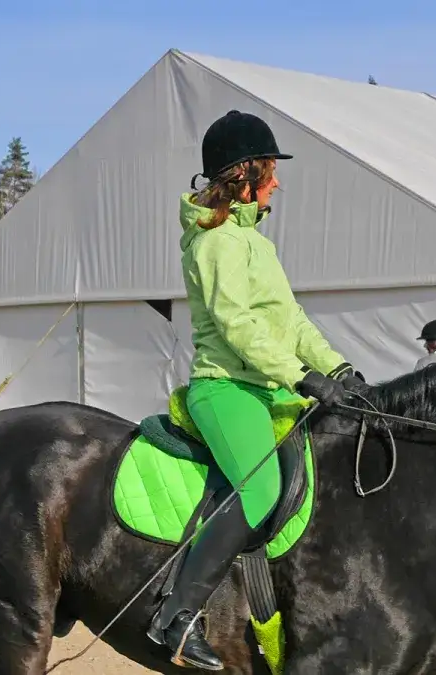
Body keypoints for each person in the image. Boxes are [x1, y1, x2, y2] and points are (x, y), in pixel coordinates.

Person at [146, 110, 366, 670]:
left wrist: (339, 369)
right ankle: (176, 616)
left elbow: (290, 321)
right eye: (269, 172)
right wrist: (302, 377)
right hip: (226, 389)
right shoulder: (214, 241)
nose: (276, 183)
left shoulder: (257, 245)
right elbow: (237, 326)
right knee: (261, 488)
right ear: (242, 176)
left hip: (269, 388)